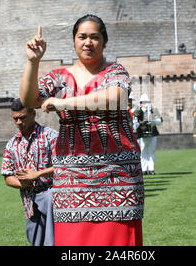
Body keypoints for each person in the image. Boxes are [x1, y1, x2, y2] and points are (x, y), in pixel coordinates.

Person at [19, 14, 144, 246]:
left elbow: (115, 97)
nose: (88, 42)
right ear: (74, 41)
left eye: (94, 37)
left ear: (104, 42)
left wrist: (64, 103)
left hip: (117, 175)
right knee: (74, 243)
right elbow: (29, 99)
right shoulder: (60, 77)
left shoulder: (115, 71)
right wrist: (33, 62)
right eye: (82, 37)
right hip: (71, 176)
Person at [1, 98, 58, 246]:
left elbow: (63, 166)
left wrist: (37, 174)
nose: (19, 122)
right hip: (29, 201)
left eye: (22, 118)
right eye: (15, 119)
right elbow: (7, 177)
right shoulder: (12, 144)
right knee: (35, 240)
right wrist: (22, 183)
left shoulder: (49, 136)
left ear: (33, 113)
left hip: (51, 195)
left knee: (51, 241)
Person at [133, 93, 163, 175]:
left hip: (152, 133)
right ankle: (144, 169)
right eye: (143, 102)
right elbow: (134, 121)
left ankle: (151, 169)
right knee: (143, 152)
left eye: (146, 102)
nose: (145, 104)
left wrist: (153, 122)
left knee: (151, 151)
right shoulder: (137, 110)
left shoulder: (154, 109)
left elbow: (160, 120)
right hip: (141, 134)